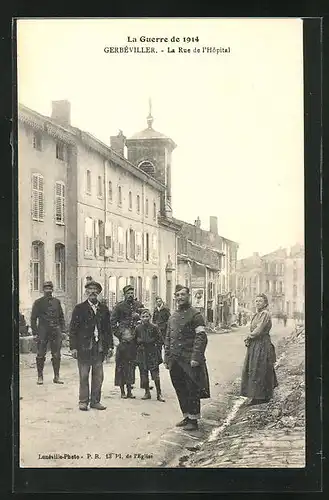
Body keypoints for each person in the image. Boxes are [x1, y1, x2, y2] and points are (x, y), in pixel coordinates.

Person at [164, 285, 210, 431]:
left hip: (189, 359)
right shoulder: (173, 316)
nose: (180, 297)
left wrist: (196, 356)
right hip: (175, 360)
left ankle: (194, 419)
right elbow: (168, 337)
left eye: (183, 294)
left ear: (188, 296)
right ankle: (186, 415)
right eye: (177, 295)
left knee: (192, 389)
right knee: (180, 388)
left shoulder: (195, 315)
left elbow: (201, 337)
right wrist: (167, 357)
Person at [69, 281, 113, 411]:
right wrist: (73, 347)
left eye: (95, 289)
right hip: (83, 348)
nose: (92, 291)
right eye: (90, 289)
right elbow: (73, 329)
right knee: (84, 375)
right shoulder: (79, 308)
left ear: (99, 292)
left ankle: (95, 401)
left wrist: (110, 346)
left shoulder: (104, 309)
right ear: (86, 292)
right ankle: (83, 401)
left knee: (98, 376)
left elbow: (108, 329)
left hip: (99, 348)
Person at [240, 293, 278, 405]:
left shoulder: (265, 314)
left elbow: (259, 329)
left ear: (265, 303)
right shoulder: (256, 314)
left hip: (262, 344)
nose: (258, 303)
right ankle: (257, 395)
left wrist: (249, 336)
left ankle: (260, 396)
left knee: (259, 368)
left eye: (260, 301)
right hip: (255, 344)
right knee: (254, 368)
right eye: (256, 301)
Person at [111, 285, 144, 399]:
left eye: (132, 293)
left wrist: (138, 318)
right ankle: (122, 391)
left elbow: (145, 318)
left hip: (134, 341)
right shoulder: (119, 306)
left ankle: (130, 390)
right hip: (123, 341)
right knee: (121, 365)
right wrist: (120, 334)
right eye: (128, 293)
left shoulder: (138, 305)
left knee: (131, 366)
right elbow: (112, 323)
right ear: (124, 294)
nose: (130, 295)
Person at [31, 281, 66, 385]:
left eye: (50, 288)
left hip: (56, 330)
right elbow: (33, 319)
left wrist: (63, 330)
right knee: (41, 354)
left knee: (56, 355)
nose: (48, 290)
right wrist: (35, 333)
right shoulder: (38, 302)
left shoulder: (57, 302)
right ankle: (40, 376)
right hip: (43, 331)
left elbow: (61, 317)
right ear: (43, 290)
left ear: (52, 289)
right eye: (46, 288)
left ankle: (56, 376)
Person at [135, 309, 165, 402]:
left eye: (147, 316)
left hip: (152, 353)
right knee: (144, 374)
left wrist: (156, 348)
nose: (145, 319)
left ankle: (159, 393)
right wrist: (138, 343)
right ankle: (147, 392)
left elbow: (160, 340)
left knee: (155, 374)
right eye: (143, 317)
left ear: (150, 317)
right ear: (140, 318)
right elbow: (134, 340)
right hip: (142, 353)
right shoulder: (138, 328)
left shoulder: (154, 327)